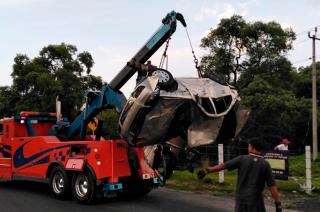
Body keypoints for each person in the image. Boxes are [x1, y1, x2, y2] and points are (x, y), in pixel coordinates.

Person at [197, 138, 282, 212]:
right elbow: (272, 186)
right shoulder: (265, 164)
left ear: (251, 147)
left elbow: (224, 166)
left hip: (241, 199)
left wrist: (208, 170)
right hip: (256, 201)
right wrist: (277, 203)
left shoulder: (241, 159)